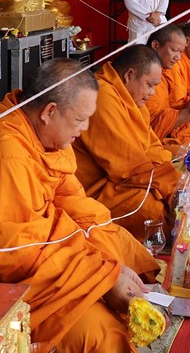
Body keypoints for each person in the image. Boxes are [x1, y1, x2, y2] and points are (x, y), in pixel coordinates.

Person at [0, 58, 159, 351]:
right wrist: (102, 276)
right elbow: (16, 256)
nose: (86, 128)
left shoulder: (46, 138)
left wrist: (111, 265)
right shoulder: (5, 155)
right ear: (49, 111)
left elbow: (78, 204)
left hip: (50, 254)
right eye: (79, 119)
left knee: (125, 248)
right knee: (104, 335)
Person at [73, 45, 179, 241]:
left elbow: (153, 146)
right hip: (99, 189)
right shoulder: (103, 96)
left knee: (179, 183)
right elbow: (127, 165)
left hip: (128, 178)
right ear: (129, 75)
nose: (153, 92)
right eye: (150, 85)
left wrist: (172, 182)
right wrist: (171, 188)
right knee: (156, 213)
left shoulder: (131, 99)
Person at [145, 21, 190, 149]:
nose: (178, 57)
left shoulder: (167, 68)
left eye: (180, 52)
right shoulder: (146, 74)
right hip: (154, 139)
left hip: (168, 127)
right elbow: (150, 130)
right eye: (174, 50)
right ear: (155, 45)